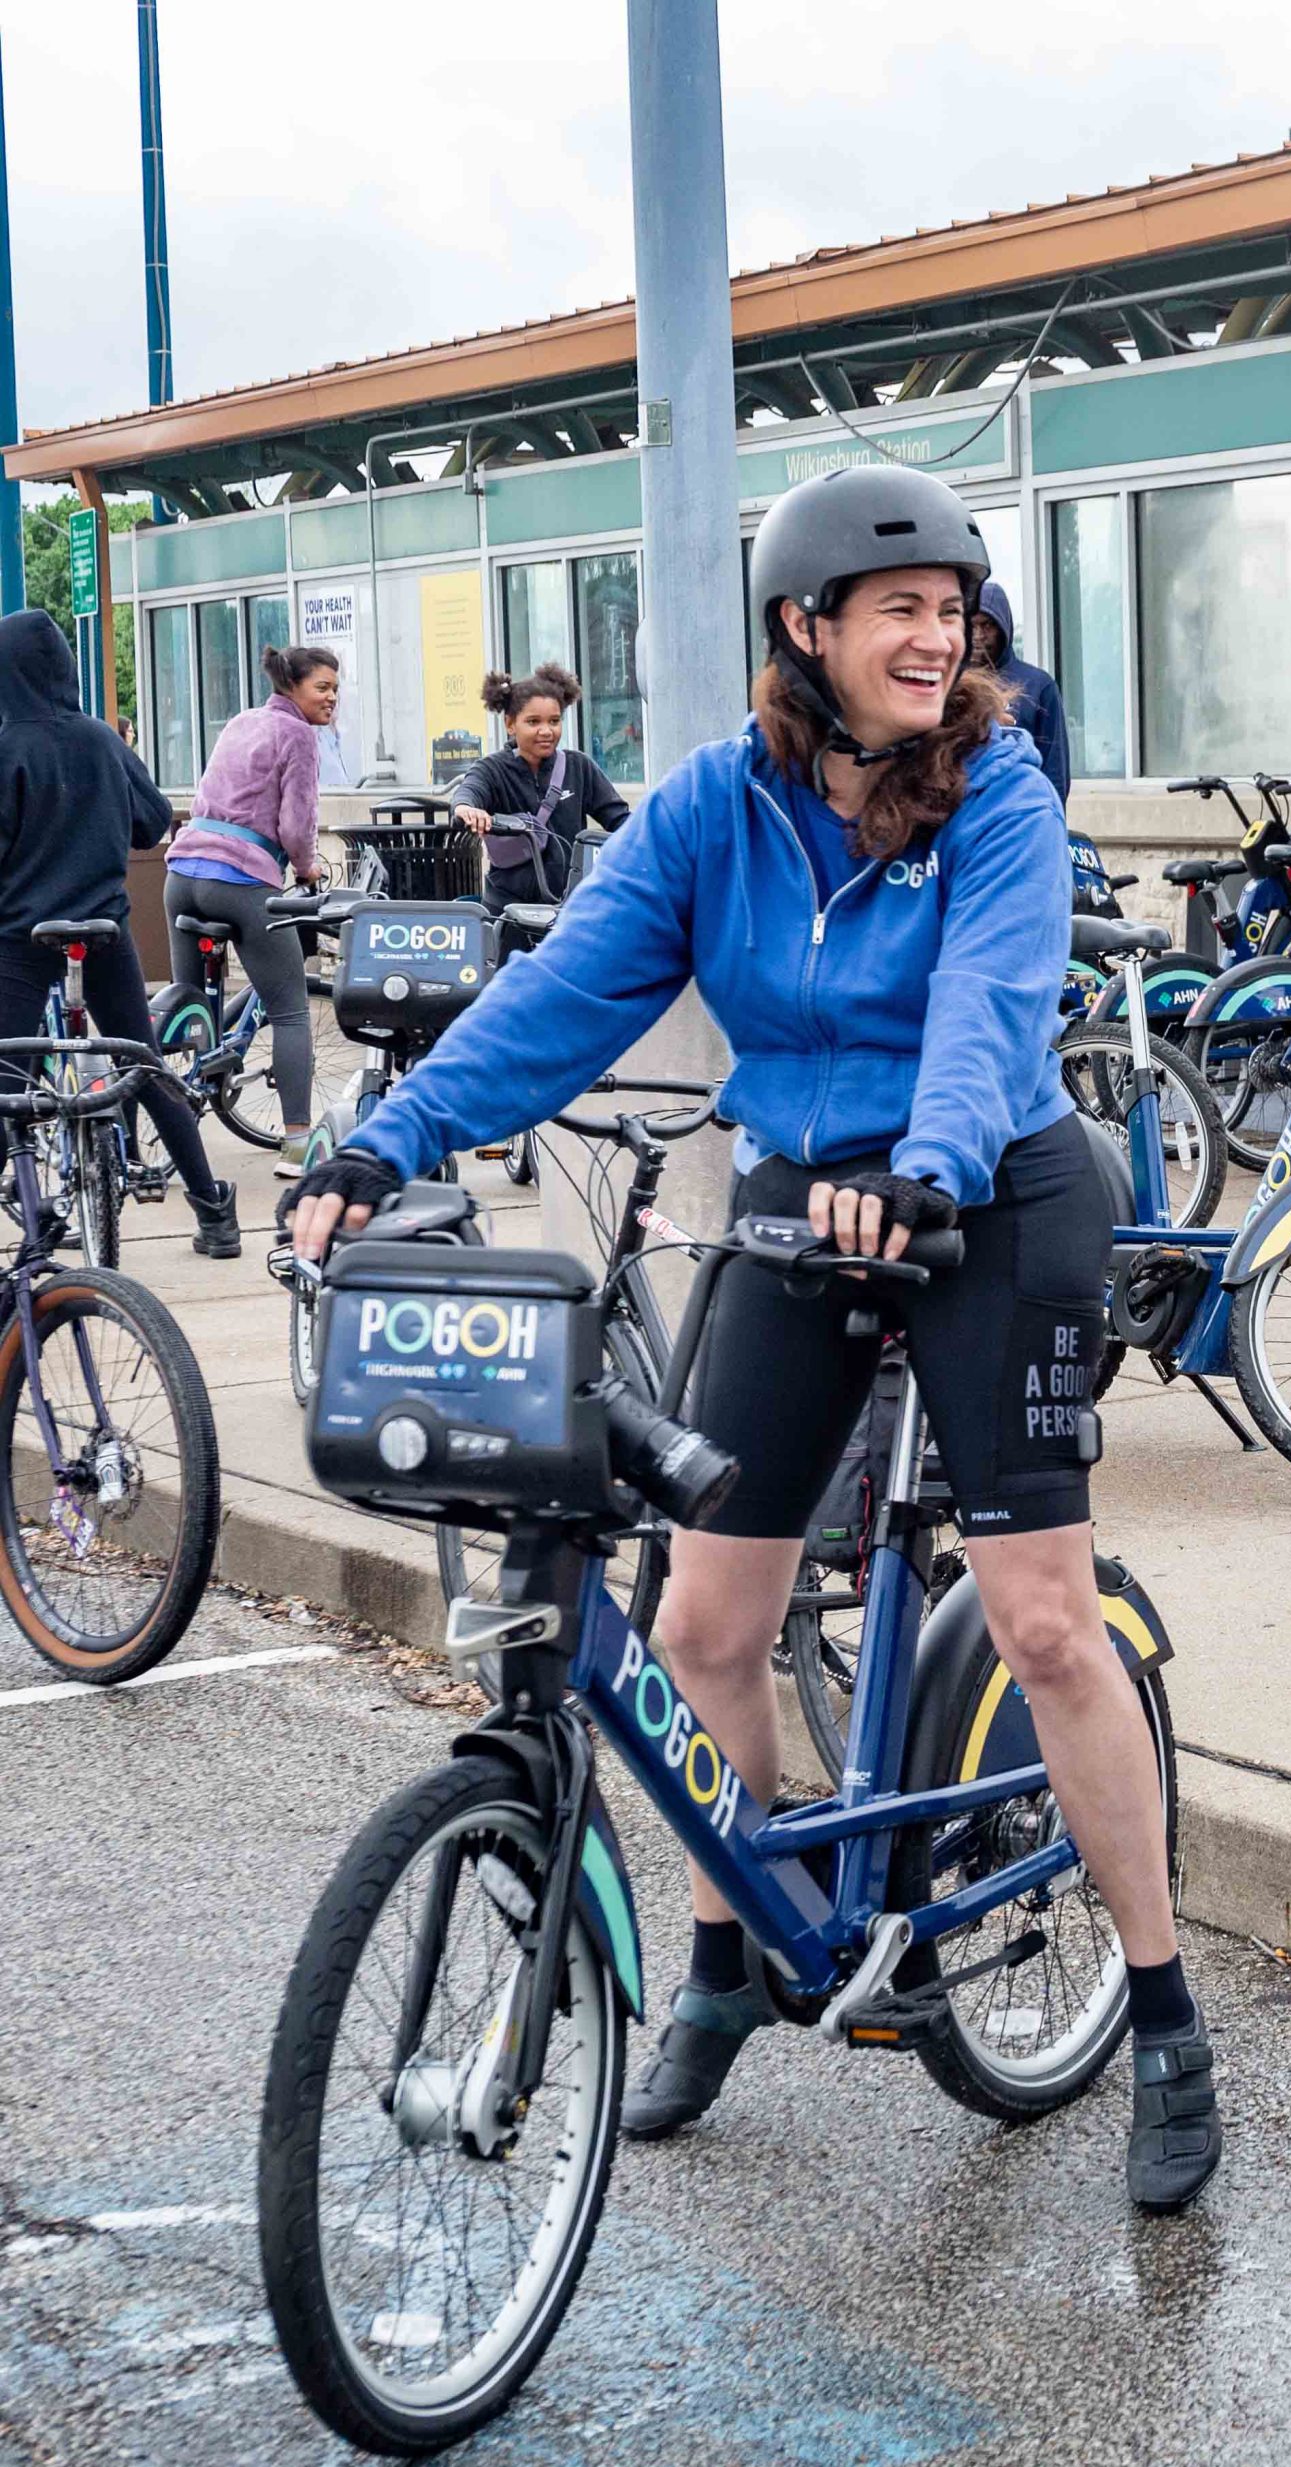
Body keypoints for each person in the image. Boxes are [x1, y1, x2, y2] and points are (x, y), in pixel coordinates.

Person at [283, 465, 1221, 2211]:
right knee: (706, 1623)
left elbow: (991, 1002)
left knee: (1042, 1619)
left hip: (995, 1193)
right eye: (901, 610)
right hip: (803, 1194)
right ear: (807, 627)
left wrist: (930, 1164)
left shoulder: (999, 792)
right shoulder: (715, 806)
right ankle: (727, 1965)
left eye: (953, 611)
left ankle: (1165, 2014)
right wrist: (380, 1146)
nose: (937, 637)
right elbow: (566, 995)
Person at [0, 610, 237, 1256]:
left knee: (8, 1079)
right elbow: (152, 821)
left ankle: (33, 1211)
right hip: (103, 929)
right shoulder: (104, 740)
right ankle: (213, 1211)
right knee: (144, 1063)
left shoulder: (7, 747)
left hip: (21, 936)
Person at [164, 644, 336, 1177]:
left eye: (336, 688)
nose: (332, 697)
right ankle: (298, 1145)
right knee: (290, 1011)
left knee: (187, 1011)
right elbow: (296, 825)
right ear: (293, 687)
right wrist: (306, 869)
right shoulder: (298, 735)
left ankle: (146, 1130)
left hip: (181, 876)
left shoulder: (241, 721)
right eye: (322, 687)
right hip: (239, 881)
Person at [449, 663, 631, 909]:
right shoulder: (492, 768)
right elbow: (468, 792)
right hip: (508, 908)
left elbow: (621, 820)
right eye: (533, 722)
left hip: (569, 907)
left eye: (554, 721)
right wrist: (466, 809)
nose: (546, 731)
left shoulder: (579, 766)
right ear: (510, 724)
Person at [968, 582, 1070, 806]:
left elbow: (1055, 769)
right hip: (963, 814)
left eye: (987, 625)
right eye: (971, 625)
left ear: (1003, 627)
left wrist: (1049, 817)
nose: (978, 635)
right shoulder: (948, 685)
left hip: (1021, 810)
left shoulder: (1038, 685)